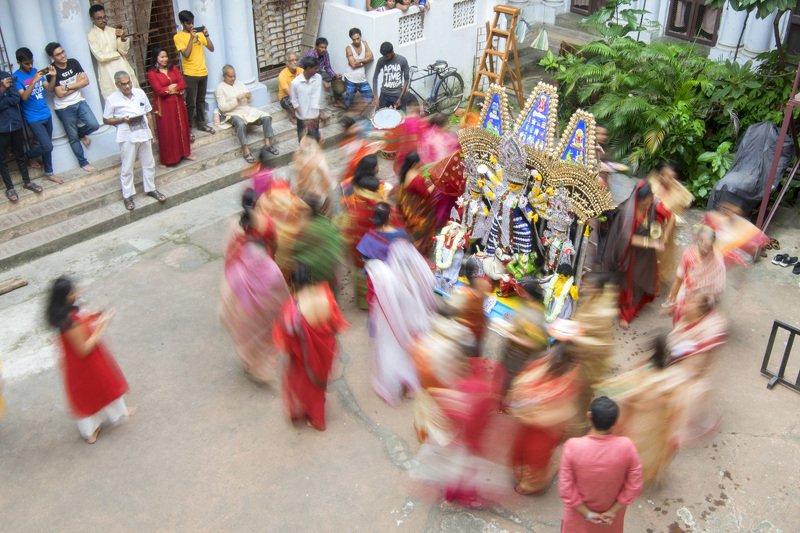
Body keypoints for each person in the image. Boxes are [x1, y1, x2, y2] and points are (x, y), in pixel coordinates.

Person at [45, 276, 133, 444]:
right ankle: (90, 429)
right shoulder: (68, 323)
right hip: (83, 363)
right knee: (86, 396)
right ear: (66, 296)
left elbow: (82, 321)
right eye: (73, 291)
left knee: (107, 385)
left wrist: (93, 316)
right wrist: (102, 325)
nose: (77, 293)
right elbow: (84, 349)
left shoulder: (67, 312)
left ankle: (119, 413)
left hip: (87, 360)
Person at [220, 188, 289, 383]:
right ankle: (261, 364)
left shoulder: (236, 227)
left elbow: (229, 257)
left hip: (243, 287)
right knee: (265, 324)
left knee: (247, 323)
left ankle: (250, 360)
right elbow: (275, 243)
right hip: (264, 280)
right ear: (257, 203)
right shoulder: (266, 224)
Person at [273, 265, 348, 431]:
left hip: (305, 356)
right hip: (326, 351)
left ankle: (315, 419)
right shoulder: (326, 295)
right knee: (318, 389)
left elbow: (285, 340)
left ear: (293, 285)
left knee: (304, 387)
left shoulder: (291, 309)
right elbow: (336, 324)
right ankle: (316, 418)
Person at [365, 239, 435, 405]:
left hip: (396, 329)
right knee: (410, 357)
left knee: (394, 356)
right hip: (416, 324)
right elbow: (428, 298)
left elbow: (384, 305)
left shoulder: (391, 281)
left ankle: (400, 386)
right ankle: (410, 386)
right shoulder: (420, 277)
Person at [558, 396, 644, 532]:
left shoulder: (572, 447)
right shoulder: (627, 446)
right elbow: (634, 486)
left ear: (589, 416)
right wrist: (612, 511)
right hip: (610, 520)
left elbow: (566, 490)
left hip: (579, 517)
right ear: (615, 422)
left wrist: (587, 513)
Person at [507, 341, 581, 495]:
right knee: (537, 456)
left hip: (530, 424)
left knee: (523, 448)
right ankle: (529, 484)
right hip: (546, 430)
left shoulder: (539, 366)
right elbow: (566, 410)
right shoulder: (568, 380)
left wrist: (526, 412)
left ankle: (520, 476)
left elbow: (517, 392)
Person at [667, 292, 728, 446]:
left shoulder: (711, 328)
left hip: (694, 370)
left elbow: (700, 359)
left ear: (700, 310)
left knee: (691, 398)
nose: (685, 306)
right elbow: (675, 337)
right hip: (681, 363)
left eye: (690, 304)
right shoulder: (687, 317)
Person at [601, 181, 661, 329]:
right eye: (644, 204)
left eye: (649, 202)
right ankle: (625, 314)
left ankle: (638, 304)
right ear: (637, 200)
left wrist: (656, 233)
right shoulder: (627, 214)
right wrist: (650, 243)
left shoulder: (651, 206)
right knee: (629, 284)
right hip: (630, 255)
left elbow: (655, 223)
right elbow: (626, 238)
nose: (647, 206)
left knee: (642, 282)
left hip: (645, 256)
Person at [102, 71, 166, 211]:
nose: (127, 86)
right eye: (123, 84)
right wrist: (121, 119)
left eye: (128, 83)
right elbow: (106, 119)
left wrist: (152, 134)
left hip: (143, 132)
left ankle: (151, 189)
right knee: (127, 166)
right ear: (117, 85)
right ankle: (127, 195)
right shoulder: (112, 99)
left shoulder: (139, 93)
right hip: (127, 135)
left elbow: (148, 114)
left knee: (149, 163)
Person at [45, 42, 100, 172]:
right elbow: (59, 93)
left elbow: (86, 81)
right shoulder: (52, 71)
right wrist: (77, 84)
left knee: (94, 124)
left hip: (80, 101)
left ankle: (80, 134)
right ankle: (83, 162)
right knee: (72, 137)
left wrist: (68, 87)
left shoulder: (73, 62)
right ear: (52, 57)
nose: (63, 55)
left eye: (63, 51)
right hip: (63, 108)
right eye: (58, 54)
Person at [13, 48, 62, 184]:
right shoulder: (17, 77)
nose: (30, 66)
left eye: (31, 63)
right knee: (47, 146)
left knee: (47, 145)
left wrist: (53, 76)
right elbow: (24, 97)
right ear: (19, 62)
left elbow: (50, 88)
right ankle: (26, 156)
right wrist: (33, 81)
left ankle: (49, 172)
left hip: (46, 114)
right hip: (33, 118)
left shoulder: (36, 71)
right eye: (26, 64)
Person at [215, 65, 278, 164]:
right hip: (232, 113)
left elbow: (250, 100)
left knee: (266, 117)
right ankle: (245, 150)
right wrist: (236, 100)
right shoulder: (220, 87)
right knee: (240, 123)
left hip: (246, 110)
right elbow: (222, 107)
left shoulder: (239, 83)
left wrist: (249, 97)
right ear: (224, 76)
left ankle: (268, 144)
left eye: (234, 76)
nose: (233, 78)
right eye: (230, 77)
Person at [664, 224, 725, 323]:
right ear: (697, 241)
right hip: (686, 295)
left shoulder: (718, 261)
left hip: (705, 302)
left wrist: (701, 302)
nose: (704, 248)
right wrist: (671, 299)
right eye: (701, 242)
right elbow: (679, 279)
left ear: (713, 244)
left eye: (708, 246)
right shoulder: (688, 254)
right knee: (680, 322)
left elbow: (718, 289)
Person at [146, 47, 195, 167]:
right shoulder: (152, 73)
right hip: (164, 107)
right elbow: (159, 91)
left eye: (166, 57)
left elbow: (182, 83)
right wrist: (172, 88)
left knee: (182, 128)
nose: (165, 59)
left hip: (178, 104)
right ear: (156, 58)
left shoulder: (173, 68)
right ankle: (168, 159)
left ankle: (185, 153)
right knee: (168, 132)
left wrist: (173, 88)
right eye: (162, 57)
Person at [1, 71, 43, 202]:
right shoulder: (4, 82)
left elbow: (16, 98)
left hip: (15, 124)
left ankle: (27, 182)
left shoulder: (5, 75)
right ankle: (10, 188)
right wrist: (3, 89)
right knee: (2, 160)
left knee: (20, 154)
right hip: (1, 128)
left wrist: (4, 96)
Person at [173, 10, 216, 134]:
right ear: (182, 23)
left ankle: (202, 124)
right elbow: (186, 54)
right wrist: (191, 38)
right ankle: (188, 128)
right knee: (191, 103)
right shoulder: (178, 37)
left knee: (201, 101)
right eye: (188, 23)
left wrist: (206, 35)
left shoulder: (199, 33)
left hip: (203, 72)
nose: (191, 25)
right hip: (190, 74)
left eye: (192, 22)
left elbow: (212, 48)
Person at [86, 4, 139, 99]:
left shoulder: (112, 31)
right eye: (99, 18)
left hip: (122, 66)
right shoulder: (91, 35)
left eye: (104, 17)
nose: (103, 20)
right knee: (115, 99)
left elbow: (124, 51)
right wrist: (116, 54)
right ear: (92, 19)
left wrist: (122, 38)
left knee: (132, 94)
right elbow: (100, 57)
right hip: (107, 70)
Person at [397, 151, 436, 256]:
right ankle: (419, 254)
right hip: (417, 212)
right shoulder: (416, 178)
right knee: (421, 234)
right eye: (419, 162)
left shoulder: (405, 173)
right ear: (415, 164)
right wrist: (434, 183)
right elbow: (426, 193)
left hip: (408, 208)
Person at [292, 135, 334, 214]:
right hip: (317, 196)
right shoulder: (317, 159)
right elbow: (327, 181)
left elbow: (298, 180)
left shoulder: (297, 155)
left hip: (304, 196)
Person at [290, 56, 323, 141]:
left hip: (314, 116)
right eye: (315, 68)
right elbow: (294, 102)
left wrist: (318, 113)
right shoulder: (295, 83)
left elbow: (317, 96)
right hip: (302, 118)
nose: (317, 70)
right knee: (303, 141)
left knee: (315, 140)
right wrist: (304, 119)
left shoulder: (318, 78)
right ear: (308, 68)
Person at [372, 42, 410, 111]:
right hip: (384, 94)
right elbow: (375, 78)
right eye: (383, 56)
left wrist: (400, 98)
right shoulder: (381, 60)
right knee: (379, 116)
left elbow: (406, 80)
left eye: (386, 56)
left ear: (392, 51)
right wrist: (376, 98)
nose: (385, 58)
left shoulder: (402, 60)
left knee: (401, 117)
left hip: (397, 94)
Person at [343, 28, 374, 110]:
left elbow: (371, 58)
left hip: (362, 79)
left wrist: (360, 60)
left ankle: (360, 114)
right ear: (351, 39)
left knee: (370, 98)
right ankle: (347, 119)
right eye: (354, 39)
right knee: (348, 102)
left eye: (358, 38)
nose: (356, 41)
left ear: (360, 36)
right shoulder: (349, 48)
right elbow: (353, 65)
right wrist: (365, 61)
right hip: (350, 79)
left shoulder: (364, 44)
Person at [277, 53, 303, 124]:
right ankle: (293, 116)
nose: (295, 62)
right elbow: (289, 93)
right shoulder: (282, 75)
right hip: (286, 97)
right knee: (290, 101)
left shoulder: (301, 71)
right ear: (287, 63)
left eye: (296, 60)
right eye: (291, 60)